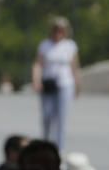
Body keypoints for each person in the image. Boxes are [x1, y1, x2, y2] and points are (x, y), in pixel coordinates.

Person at [32, 17, 81, 152]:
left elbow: (75, 67)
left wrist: (78, 85)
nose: (58, 33)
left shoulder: (70, 45)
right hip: (48, 83)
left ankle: (59, 149)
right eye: (56, 30)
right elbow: (38, 64)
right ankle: (45, 143)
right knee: (47, 116)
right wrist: (36, 80)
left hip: (65, 84)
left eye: (61, 30)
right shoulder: (45, 45)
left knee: (61, 118)